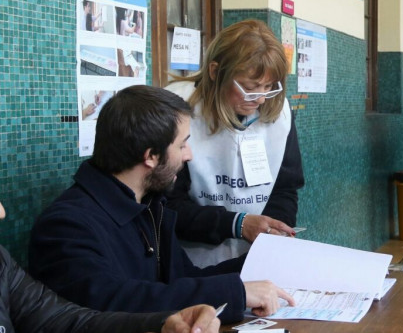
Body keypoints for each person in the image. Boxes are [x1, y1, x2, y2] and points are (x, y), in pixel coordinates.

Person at [28, 85, 295, 324]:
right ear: (151, 157)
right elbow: (115, 302)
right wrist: (236, 292)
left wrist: (261, 262)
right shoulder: (66, 226)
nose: (189, 156)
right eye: (182, 145)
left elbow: (183, 280)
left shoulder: (149, 206)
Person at [164, 19, 304, 267]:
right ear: (216, 72)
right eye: (250, 88)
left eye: (269, 87)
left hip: (255, 258)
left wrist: (274, 232)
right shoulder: (178, 107)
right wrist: (236, 224)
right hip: (191, 261)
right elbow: (167, 206)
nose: (260, 99)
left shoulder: (278, 111)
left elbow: (285, 188)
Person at [0, 199, 221, 333]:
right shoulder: (67, 222)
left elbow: (65, 321)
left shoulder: (2, 263)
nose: (2, 213)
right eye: (181, 145)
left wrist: (163, 323)